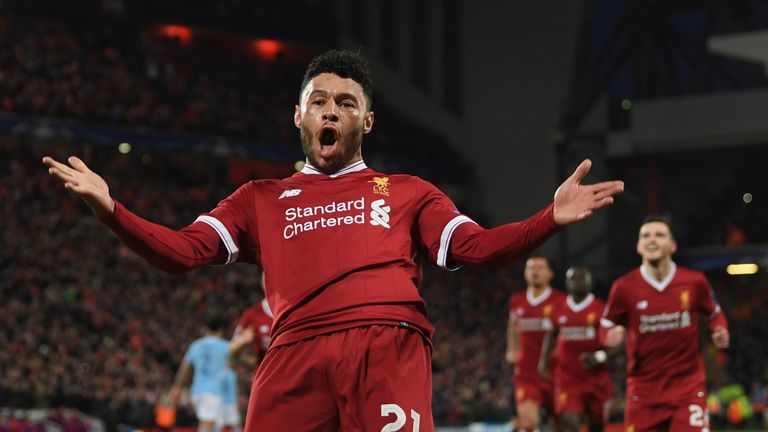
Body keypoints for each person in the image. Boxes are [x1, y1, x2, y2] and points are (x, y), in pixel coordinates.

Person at [42, 49, 624, 431]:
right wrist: (112, 209)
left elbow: (476, 249)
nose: (331, 111)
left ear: (365, 122)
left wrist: (547, 218)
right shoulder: (259, 199)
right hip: (293, 355)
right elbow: (178, 253)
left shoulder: (408, 191)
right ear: (298, 114)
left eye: (347, 103)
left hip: (387, 345)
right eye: (319, 101)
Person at [600, 216, 730, 432]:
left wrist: (720, 329)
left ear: (672, 245)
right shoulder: (623, 287)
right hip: (643, 391)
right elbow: (605, 325)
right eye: (646, 236)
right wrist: (608, 336)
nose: (652, 240)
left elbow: (714, 313)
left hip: (687, 387)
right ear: (638, 246)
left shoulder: (694, 281)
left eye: (659, 235)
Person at [538, 266, 614, 432]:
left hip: (596, 378)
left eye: (581, 278)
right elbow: (552, 334)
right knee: (569, 423)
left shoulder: (602, 309)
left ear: (590, 283)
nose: (577, 282)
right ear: (566, 283)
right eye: (573, 278)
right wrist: (543, 361)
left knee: (596, 426)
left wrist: (599, 357)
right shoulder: (558, 308)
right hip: (567, 378)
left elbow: (616, 344)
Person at [507, 255, 566, 431]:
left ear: (550, 274)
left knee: (561, 425)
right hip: (526, 373)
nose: (535, 272)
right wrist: (511, 348)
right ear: (525, 273)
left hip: (556, 373)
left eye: (540, 268)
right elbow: (512, 324)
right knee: (529, 423)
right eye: (531, 267)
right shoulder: (517, 300)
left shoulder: (561, 300)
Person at [170, 315, 231, 432]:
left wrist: (177, 387)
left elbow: (184, 369)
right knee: (207, 426)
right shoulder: (226, 346)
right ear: (221, 329)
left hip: (197, 391)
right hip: (214, 392)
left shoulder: (195, 345)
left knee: (214, 427)